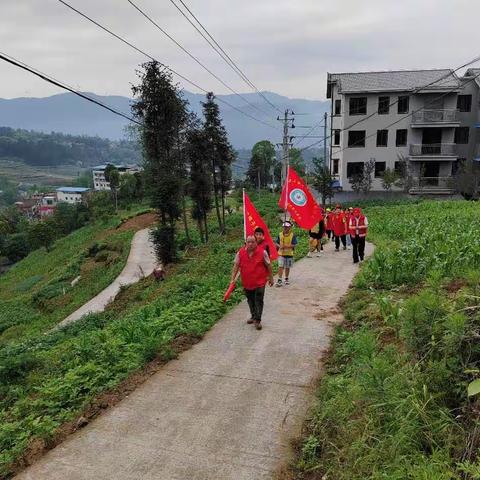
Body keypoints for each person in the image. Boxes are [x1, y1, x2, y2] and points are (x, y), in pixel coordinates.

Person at [231, 235, 274, 330]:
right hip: (247, 282)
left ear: (256, 242)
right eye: (248, 242)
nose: (250, 244)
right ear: (245, 242)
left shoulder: (262, 252)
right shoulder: (240, 253)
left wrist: (271, 277)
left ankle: (257, 320)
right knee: (250, 300)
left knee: (258, 300)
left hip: (260, 282)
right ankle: (253, 315)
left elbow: (269, 265)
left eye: (252, 242)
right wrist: (232, 279)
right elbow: (236, 266)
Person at [275, 221, 297, 286]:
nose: (285, 228)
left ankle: (286, 278)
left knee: (287, 267)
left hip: (289, 254)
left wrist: (286, 246)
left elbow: (294, 244)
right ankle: (279, 279)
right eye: (284, 227)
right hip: (281, 254)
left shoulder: (293, 235)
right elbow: (276, 243)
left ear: (290, 227)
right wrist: (279, 246)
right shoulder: (280, 234)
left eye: (287, 227)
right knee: (280, 266)